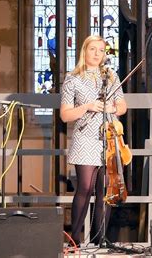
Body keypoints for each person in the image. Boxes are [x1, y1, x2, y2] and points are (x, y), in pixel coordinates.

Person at [60, 35, 127, 246]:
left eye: (101, 50)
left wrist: (113, 108)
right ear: (84, 51)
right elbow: (65, 115)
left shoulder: (111, 76)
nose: (97, 54)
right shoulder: (73, 79)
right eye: (93, 49)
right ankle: (74, 240)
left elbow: (122, 106)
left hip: (108, 137)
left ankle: (100, 240)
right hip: (85, 137)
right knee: (85, 188)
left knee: (105, 191)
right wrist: (87, 106)